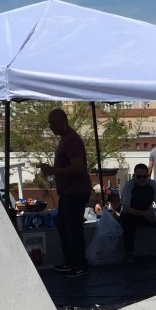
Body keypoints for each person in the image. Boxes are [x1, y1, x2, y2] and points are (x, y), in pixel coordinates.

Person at [47, 108, 92, 277]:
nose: (51, 127)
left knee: (73, 228)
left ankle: (79, 264)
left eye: (52, 123)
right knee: (64, 225)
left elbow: (78, 167)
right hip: (68, 191)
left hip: (75, 191)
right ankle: (70, 261)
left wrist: (54, 171)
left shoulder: (72, 140)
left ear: (62, 122)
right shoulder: (66, 139)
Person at [119, 164, 156, 257]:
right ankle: (129, 253)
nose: (141, 179)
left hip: (147, 213)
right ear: (134, 176)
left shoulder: (152, 184)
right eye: (139, 176)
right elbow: (126, 208)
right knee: (126, 219)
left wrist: (155, 214)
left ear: (148, 176)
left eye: (144, 177)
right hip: (132, 214)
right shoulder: (129, 186)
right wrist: (144, 214)